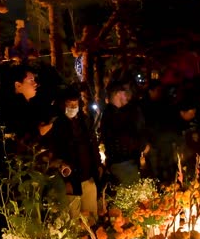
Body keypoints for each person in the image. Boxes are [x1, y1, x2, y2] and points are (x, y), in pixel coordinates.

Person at [47, 86, 102, 218]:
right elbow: (54, 152)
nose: (72, 107)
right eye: (69, 104)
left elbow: (92, 144)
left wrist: (98, 165)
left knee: (91, 217)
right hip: (70, 180)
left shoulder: (84, 121)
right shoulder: (57, 124)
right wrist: (65, 179)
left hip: (88, 177)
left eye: (75, 104)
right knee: (73, 219)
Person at [100, 80, 149, 186]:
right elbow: (122, 138)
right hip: (122, 164)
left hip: (125, 163)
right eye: (124, 92)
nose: (127, 96)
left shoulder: (117, 113)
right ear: (118, 93)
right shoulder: (111, 116)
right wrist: (141, 145)